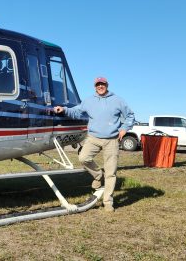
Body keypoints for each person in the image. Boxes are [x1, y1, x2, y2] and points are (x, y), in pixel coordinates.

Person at [53, 77, 134, 212]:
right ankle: (97, 175)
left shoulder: (118, 100)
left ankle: (108, 202)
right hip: (93, 138)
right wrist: (64, 109)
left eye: (102, 84)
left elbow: (130, 115)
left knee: (111, 172)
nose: (100, 86)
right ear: (95, 86)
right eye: (98, 85)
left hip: (112, 140)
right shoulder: (89, 101)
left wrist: (124, 128)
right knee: (83, 158)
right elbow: (76, 111)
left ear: (107, 85)